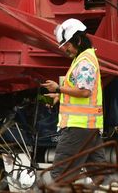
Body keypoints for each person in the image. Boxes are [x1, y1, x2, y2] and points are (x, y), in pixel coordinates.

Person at [41, 18, 105, 182]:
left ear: (77, 40)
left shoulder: (84, 62)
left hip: (78, 128)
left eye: (67, 45)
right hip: (87, 128)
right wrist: (60, 95)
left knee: (60, 175)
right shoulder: (83, 59)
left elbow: (84, 92)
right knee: (101, 176)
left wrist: (58, 88)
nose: (66, 50)